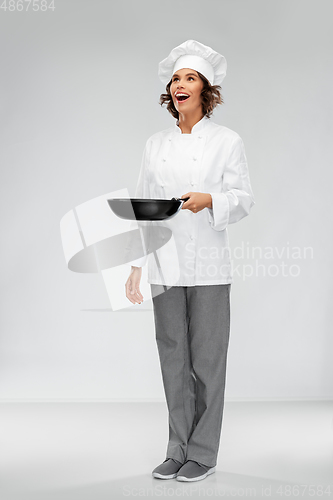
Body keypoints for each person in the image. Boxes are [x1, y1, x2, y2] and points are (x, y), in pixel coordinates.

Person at [125, 40, 255, 482]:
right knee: (173, 358)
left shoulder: (226, 141)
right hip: (164, 264)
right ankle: (177, 447)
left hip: (210, 267)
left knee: (208, 360)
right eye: (176, 78)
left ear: (206, 90)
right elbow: (144, 206)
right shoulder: (154, 144)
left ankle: (203, 452)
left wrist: (211, 199)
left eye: (190, 78)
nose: (181, 85)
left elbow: (243, 199)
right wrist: (136, 266)